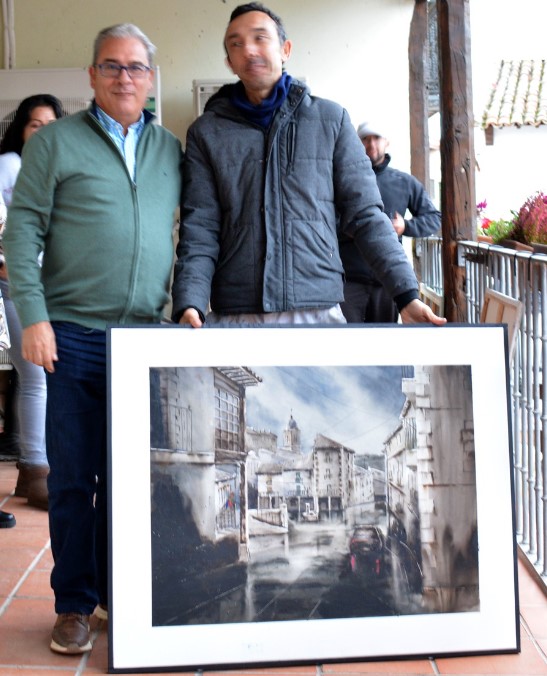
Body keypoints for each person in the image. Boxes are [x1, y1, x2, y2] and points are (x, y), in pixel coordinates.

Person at [3, 24, 182, 654]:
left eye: (136, 67)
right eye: (111, 66)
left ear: (150, 78)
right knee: (75, 479)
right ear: (91, 76)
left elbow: (187, 233)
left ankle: (117, 594)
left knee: (134, 479)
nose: (124, 77)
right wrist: (33, 316)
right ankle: (74, 603)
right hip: (72, 333)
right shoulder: (54, 143)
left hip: (145, 338)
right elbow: (21, 232)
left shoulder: (169, 150)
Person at [172, 2, 445, 329]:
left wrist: (405, 294)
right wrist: (189, 302)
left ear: (285, 49)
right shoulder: (206, 132)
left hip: (317, 312)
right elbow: (200, 227)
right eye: (236, 43)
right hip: (236, 314)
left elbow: (366, 216)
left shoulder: (331, 120)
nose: (249, 50)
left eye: (261, 38)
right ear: (230, 62)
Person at [0, 94, 65, 510]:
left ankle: (29, 472)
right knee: (37, 375)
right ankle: (38, 469)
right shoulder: (8, 165)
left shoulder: (59, 168)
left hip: (52, 286)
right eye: (34, 124)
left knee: (38, 377)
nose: (42, 132)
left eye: (50, 124)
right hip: (18, 284)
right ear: (21, 129)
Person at [339, 121, 441, 323]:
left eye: (376, 138)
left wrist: (406, 226)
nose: (371, 144)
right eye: (365, 139)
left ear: (387, 142)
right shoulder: (342, 181)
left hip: (387, 283)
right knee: (347, 347)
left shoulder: (405, 182)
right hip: (348, 281)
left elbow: (434, 218)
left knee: (385, 348)